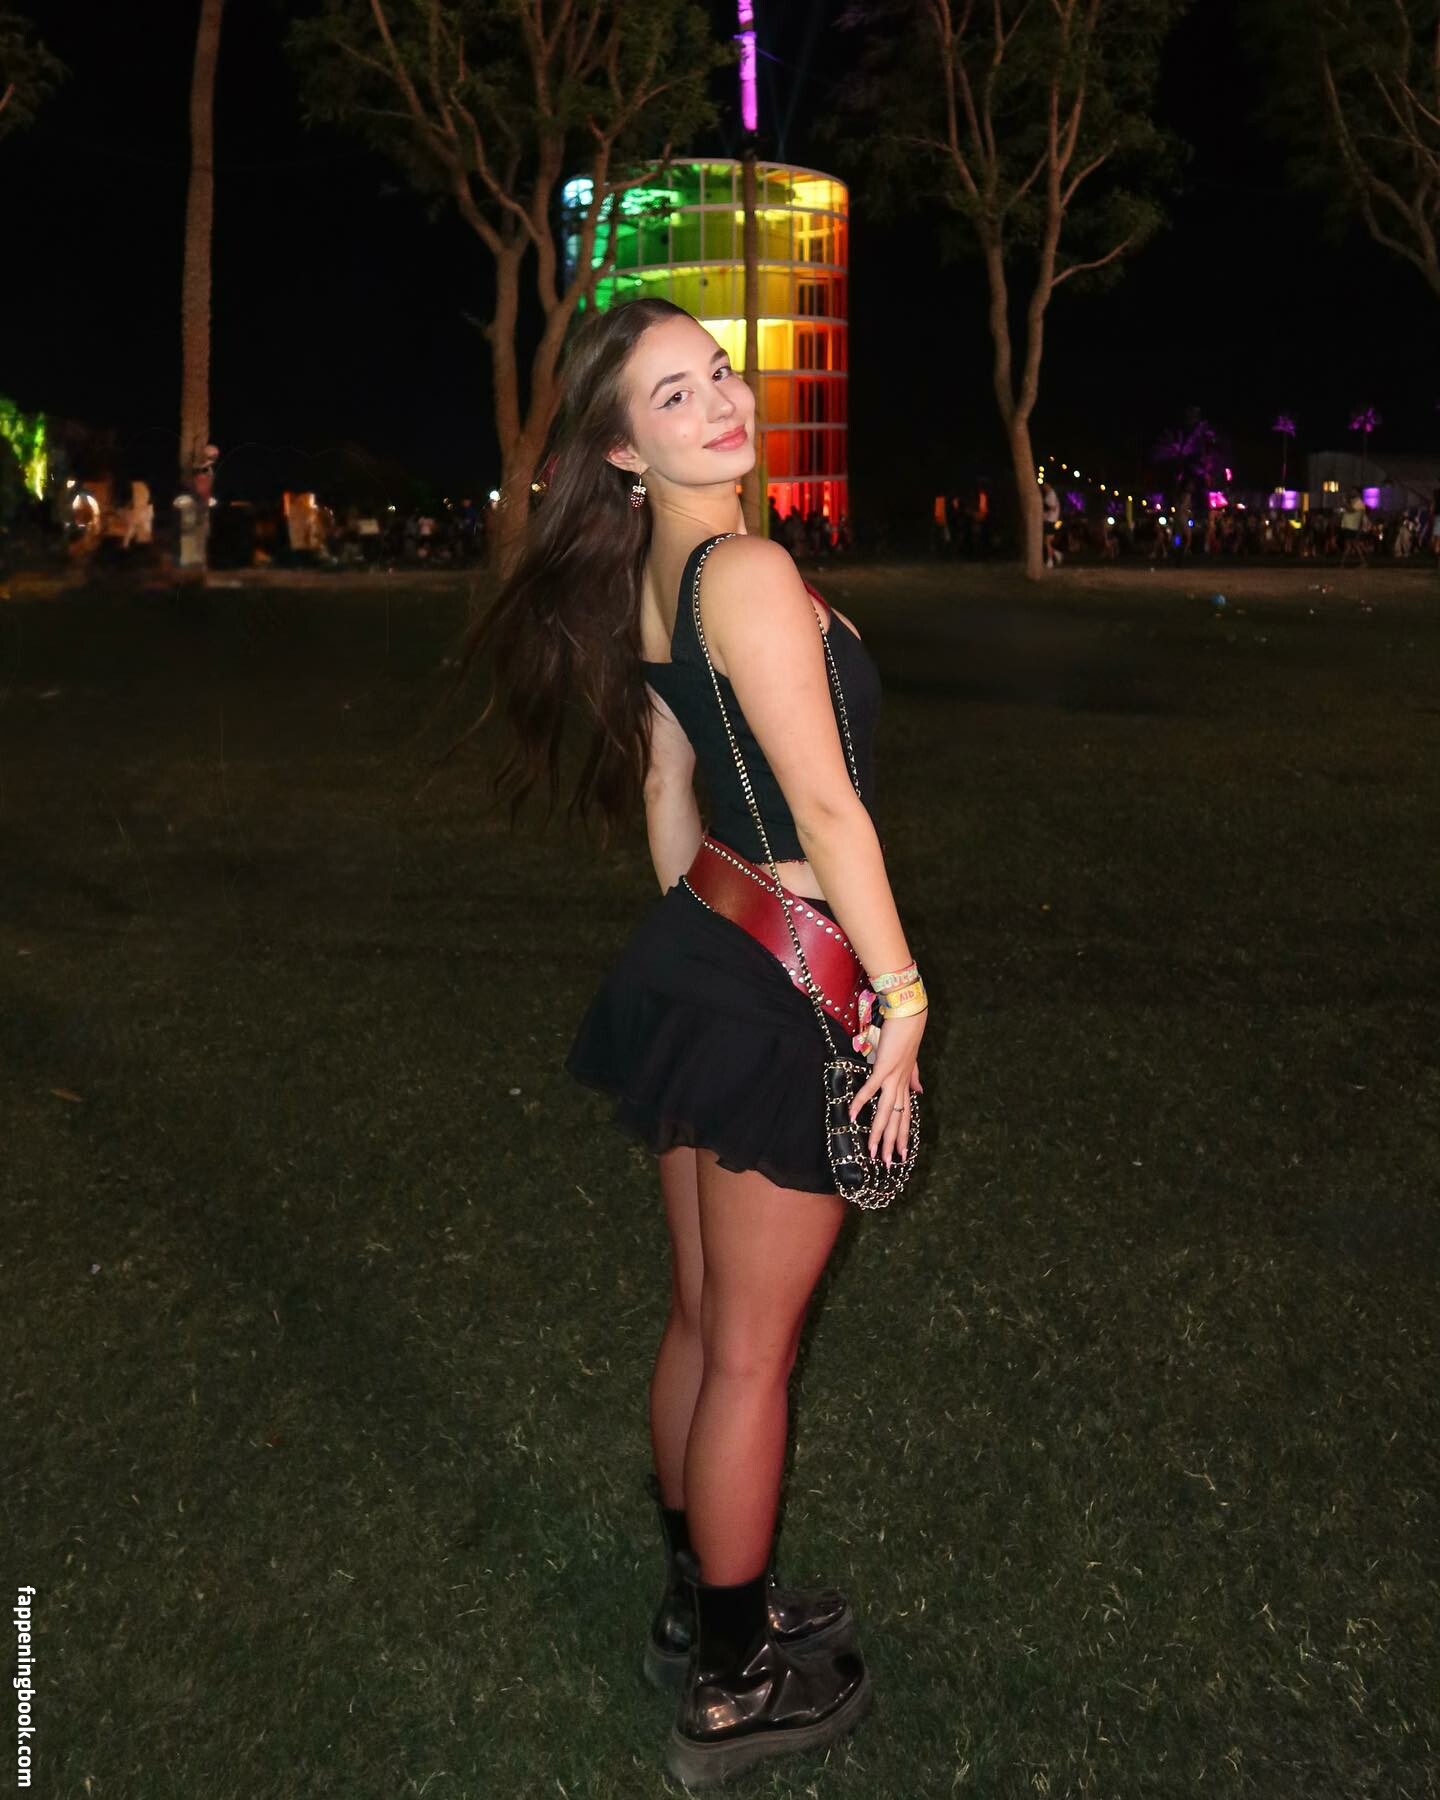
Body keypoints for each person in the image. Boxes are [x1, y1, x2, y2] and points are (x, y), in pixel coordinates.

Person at [445, 298, 927, 1787]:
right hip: (785, 979)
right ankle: (733, 1683)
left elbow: (670, 787)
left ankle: (701, 1601)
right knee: (751, 1357)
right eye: (673, 395)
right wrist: (901, 1001)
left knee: (705, 1323)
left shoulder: (663, 567)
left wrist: (698, 946)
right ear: (621, 448)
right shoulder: (748, 570)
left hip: (707, 955)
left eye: (718, 371)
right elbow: (827, 811)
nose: (722, 402)